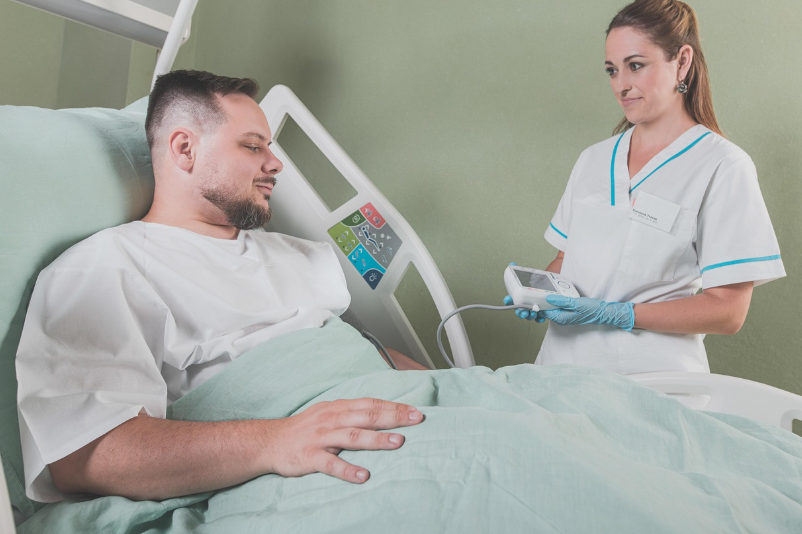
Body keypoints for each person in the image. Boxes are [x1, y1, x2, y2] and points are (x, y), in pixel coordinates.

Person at [15, 70, 426, 504]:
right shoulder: (107, 267)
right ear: (185, 149)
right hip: (312, 472)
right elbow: (84, 454)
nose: (275, 163)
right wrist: (275, 440)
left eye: (269, 146)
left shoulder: (298, 254)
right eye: (252, 146)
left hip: (403, 412)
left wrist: (454, 386)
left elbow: (367, 353)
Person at [509, 0, 785, 374]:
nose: (621, 85)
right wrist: (540, 294)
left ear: (682, 62)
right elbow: (566, 258)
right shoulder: (594, 159)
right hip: (560, 374)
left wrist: (620, 314)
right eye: (612, 70)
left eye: (636, 65)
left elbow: (728, 311)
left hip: (652, 385)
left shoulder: (723, 166)